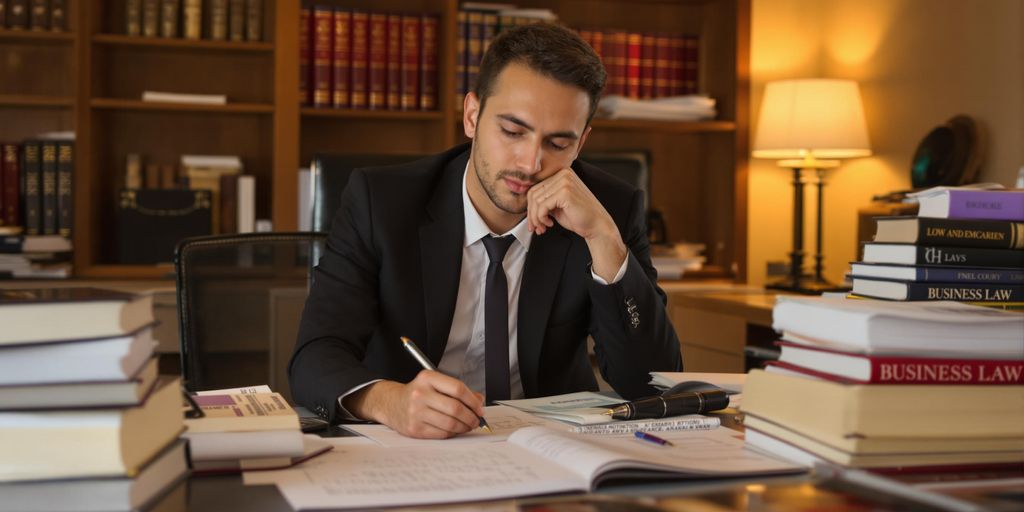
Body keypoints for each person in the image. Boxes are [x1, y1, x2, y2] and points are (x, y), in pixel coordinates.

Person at [289, 23, 681, 439]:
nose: (530, 163)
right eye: (512, 132)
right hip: (410, 448)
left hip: (548, 452)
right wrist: (390, 402)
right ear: (472, 116)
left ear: (581, 143)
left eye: (558, 144)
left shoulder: (609, 210)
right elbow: (315, 356)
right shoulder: (382, 203)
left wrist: (604, 239)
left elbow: (652, 381)